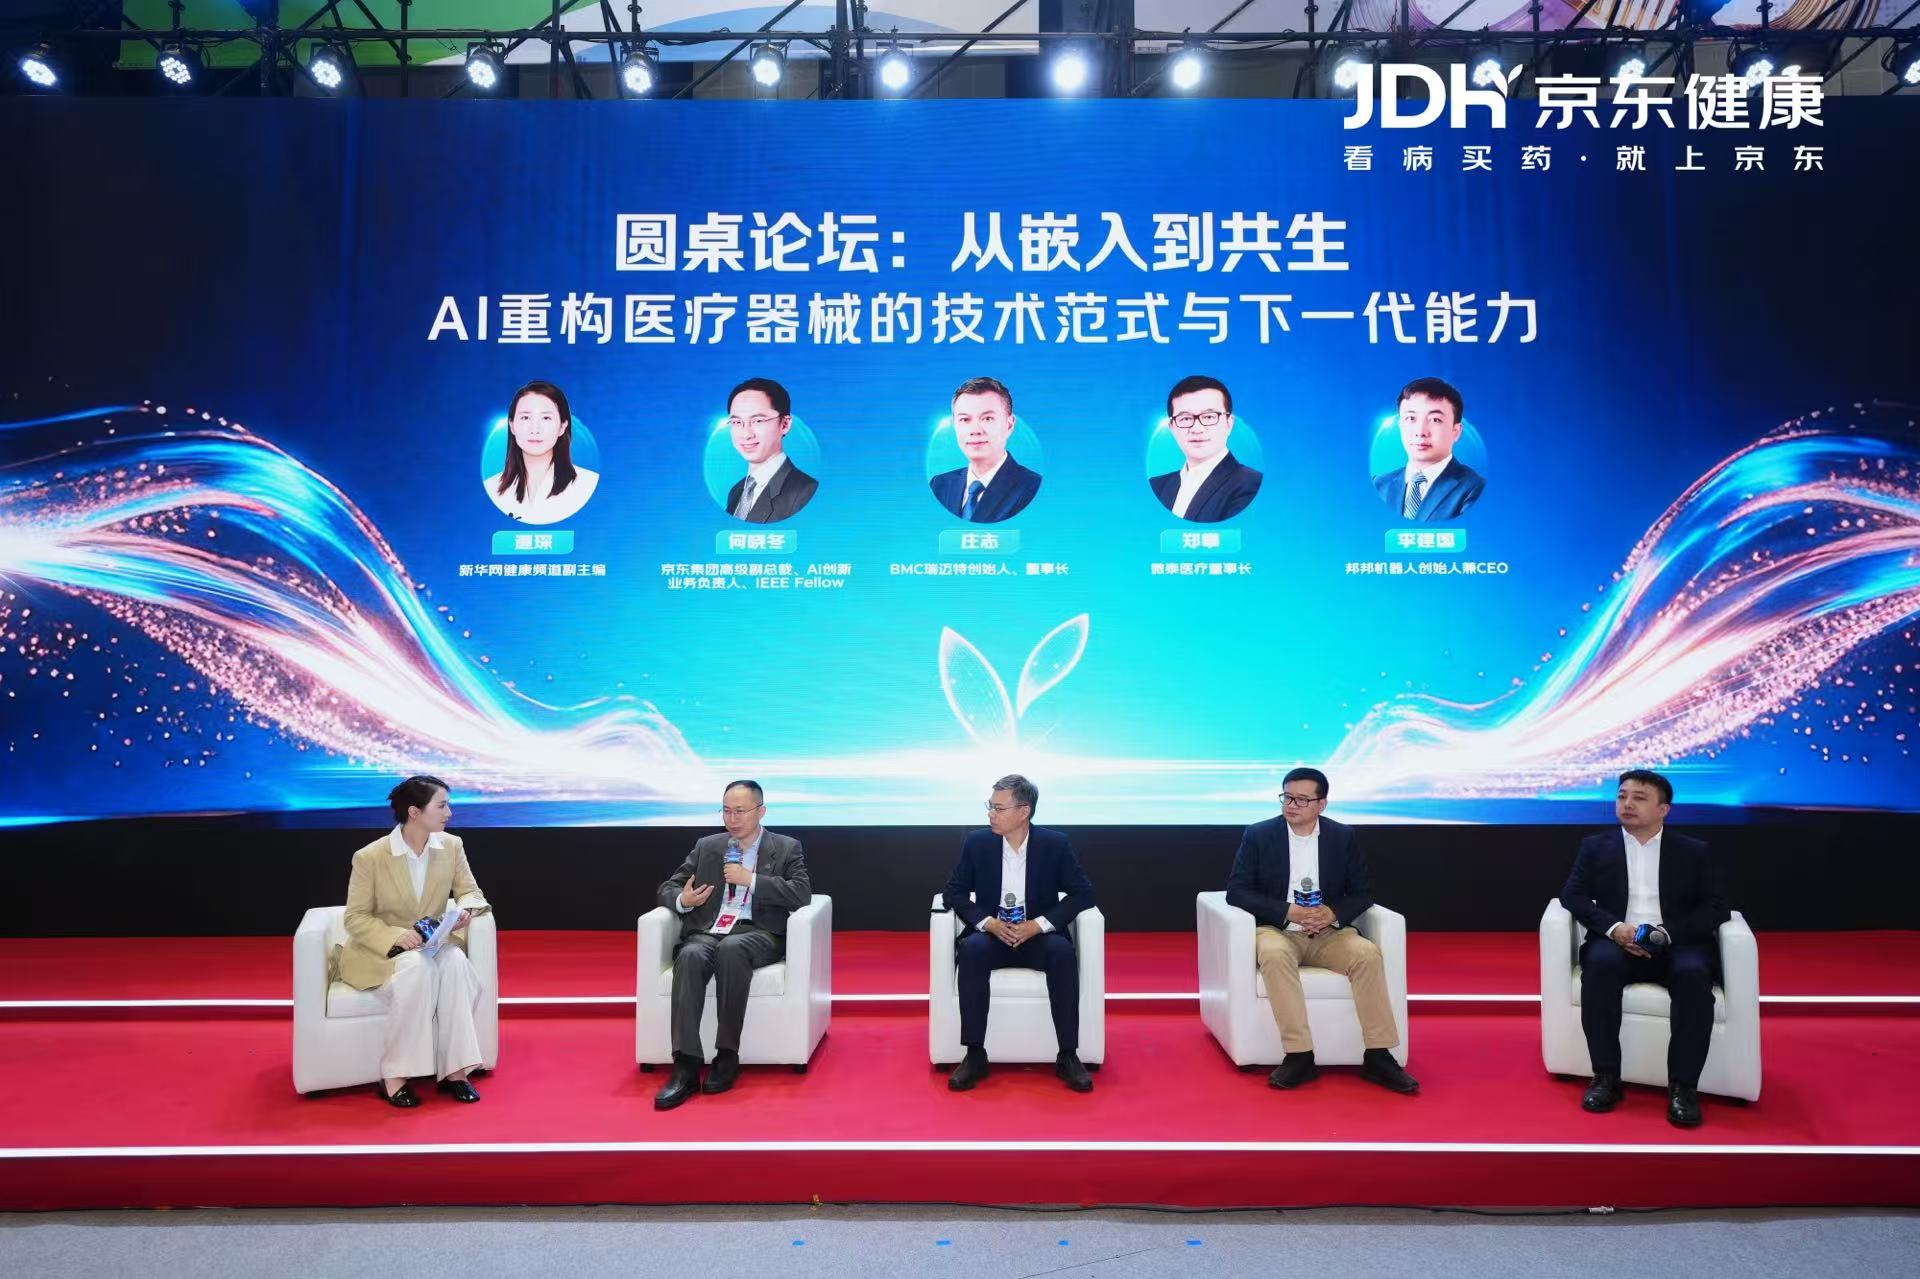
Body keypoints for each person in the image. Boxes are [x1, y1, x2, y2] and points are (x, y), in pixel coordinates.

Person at [1225, 767, 1418, 1095]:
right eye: (1287, 797)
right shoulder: (1259, 835)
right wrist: (1288, 911)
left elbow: (1362, 892)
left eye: (1301, 799)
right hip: (1277, 929)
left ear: (1321, 804)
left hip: (1329, 932)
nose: (1291, 805)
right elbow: (1237, 891)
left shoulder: (1342, 837)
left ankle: (1378, 1055)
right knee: (1274, 954)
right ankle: (1299, 1055)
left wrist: (1333, 913)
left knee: (1367, 954)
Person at [1560, 769, 1729, 1128]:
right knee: (1599, 968)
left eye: (1639, 798)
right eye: (1622, 796)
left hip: (1676, 944)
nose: (1627, 804)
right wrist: (1615, 929)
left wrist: (1667, 934)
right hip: (1617, 941)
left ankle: (1683, 1088)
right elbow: (1572, 895)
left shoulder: (1693, 851)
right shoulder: (1595, 846)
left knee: (1693, 975)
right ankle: (1606, 1077)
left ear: (1663, 809)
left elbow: (1716, 908)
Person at [652, 780, 813, 1110]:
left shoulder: (785, 847)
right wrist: (683, 900)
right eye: (726, 811)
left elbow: (801, 894)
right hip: (709, 931)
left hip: (758, 933)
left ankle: (727, 1055)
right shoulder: (707, 846)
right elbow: (668, 888)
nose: (732, 819)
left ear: (761, 811)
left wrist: (749, 880)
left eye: (740, 811)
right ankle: (685, 1065)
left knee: (732, 949)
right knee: (691, 954)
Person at [340, 776, 491, 1108]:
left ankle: (456, 1071)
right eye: (442, 806)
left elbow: (470, 891)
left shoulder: (451, 846)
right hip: (385, 954)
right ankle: (394, 1075)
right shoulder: (370, 856)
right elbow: (355, 918)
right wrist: (396, 936)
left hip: (431, 944)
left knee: (456, 963)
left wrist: (466, 910)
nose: (449, 813)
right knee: (417, 969)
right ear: (414, 812)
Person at [941, 774, 1096, 1093]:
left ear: (1024, 812)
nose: (991, 814)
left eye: (998, 808)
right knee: (971, 950)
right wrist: (988, 923)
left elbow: (1083, 893)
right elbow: (953, 892)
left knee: (1062, 953)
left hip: (1037, 936)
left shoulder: (1054, 844)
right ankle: (975, 1054)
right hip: (993, 936)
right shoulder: (977, 843)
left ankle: (1068, 1055)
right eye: (990, 806)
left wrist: (1038, 925)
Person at [482, 380, 600, 524]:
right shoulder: (491, 488)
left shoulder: (588, 484)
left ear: (562, 426)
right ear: (512, 425)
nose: (535, 429)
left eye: (546, 418)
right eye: (525, 417)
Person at [1149, 375, 1263, 523]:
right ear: (1172, 427)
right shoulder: (1157, 486)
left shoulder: (1250, 484)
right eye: (1185, 418)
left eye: (1209, 417)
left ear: (1229, 424)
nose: (1197, 429)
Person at [1370, 376, 1485, 522]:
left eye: (1435, 420)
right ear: (1400, 426)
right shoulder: (1379, 485)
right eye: (1411, 418)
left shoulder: (1474, 489)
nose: (1420, 432)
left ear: (1455, 431)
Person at [929, 377, 1042, 523]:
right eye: (965, 419)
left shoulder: (1032, 488)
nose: (975, 430)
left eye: (987, 418)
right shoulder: (939, 485)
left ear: (1009, 425)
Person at [723, 377, 818, 522]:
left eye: (758, 421)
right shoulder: (736, 491)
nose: (746, 434)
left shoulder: (805, 492)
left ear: (784, 424)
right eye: (737, 422)